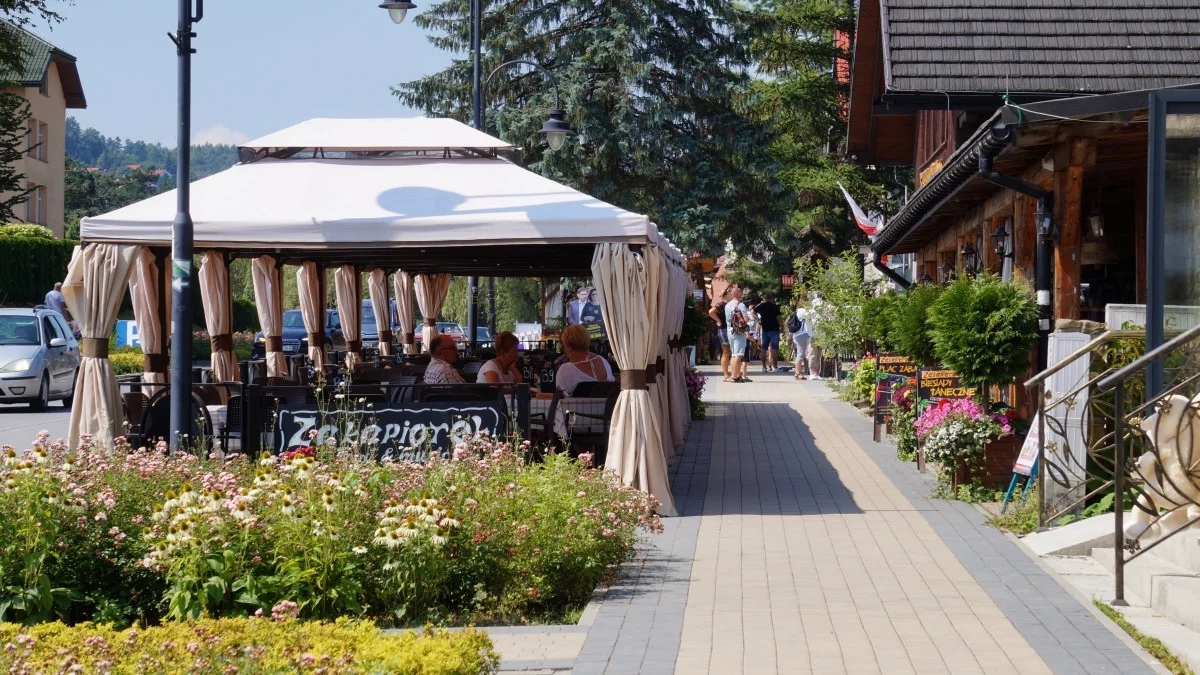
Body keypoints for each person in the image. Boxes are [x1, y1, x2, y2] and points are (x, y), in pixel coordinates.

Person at [555, 324, 613, 395]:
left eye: (564, 345)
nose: (563, 348)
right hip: (608, 406)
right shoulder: (603, 361)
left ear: (569, 346)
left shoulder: (565, 370)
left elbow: (561, 399)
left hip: (577, 406)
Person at [724, 287, 751, 383]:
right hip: (739, 332)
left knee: (734, 354)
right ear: (738, 294)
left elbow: (728, 319)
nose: (743, 294)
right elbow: (745, 319)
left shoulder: (727, 305)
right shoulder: (741, 305)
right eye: (741, 292)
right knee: (738, 355)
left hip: (730, 331)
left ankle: (734, 374)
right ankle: (735, 377)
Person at [707, 288, 732, 381]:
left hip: (730, 329)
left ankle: (731, 373)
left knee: (730, 352)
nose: (732, 295)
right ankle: (726, 374)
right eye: (730, 293)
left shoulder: (731, 305)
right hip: (724, 329)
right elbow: (711, 312)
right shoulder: (722, 304)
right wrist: (718, 320)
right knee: (726, 351)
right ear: (725, 295)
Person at [756, 293, 783, 372]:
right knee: (775, 348)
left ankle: (764, 367)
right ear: (772, 298)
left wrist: (758, 320)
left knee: (764, 349)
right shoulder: (775, 307)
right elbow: (779, 318)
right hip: (774, 329)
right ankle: (775, 367)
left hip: (765, 330)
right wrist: (782, 328)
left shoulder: (761, 306)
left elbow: (752, 311)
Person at [791, 303, 814, 380]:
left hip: (799, 335)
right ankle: (798, 373)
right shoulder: (801, 311)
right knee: (800, 354)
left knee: (801, 353)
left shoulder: (799, 312)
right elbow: (810, 314)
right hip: (802, 335)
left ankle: (798, 372)